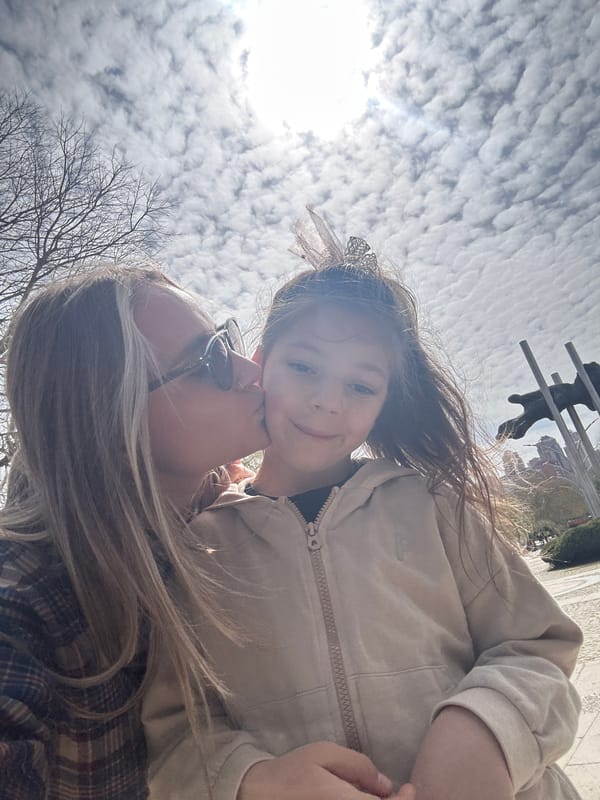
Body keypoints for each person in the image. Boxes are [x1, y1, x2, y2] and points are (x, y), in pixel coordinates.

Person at [143, 212, 583, 800]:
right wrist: (251, 780)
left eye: (360, 386)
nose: (327, 401)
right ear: (259, 362)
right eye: (304, 367)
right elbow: (177, 731)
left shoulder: (431, 504)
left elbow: (539, 646)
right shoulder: (199, 548)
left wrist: (488, 727)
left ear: (385, 400)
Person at [0, 265, 277, 800]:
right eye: (212, 360)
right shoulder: (28, 604)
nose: (251, 370)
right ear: (109, 414)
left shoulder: (233, 517)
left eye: (230, 340)